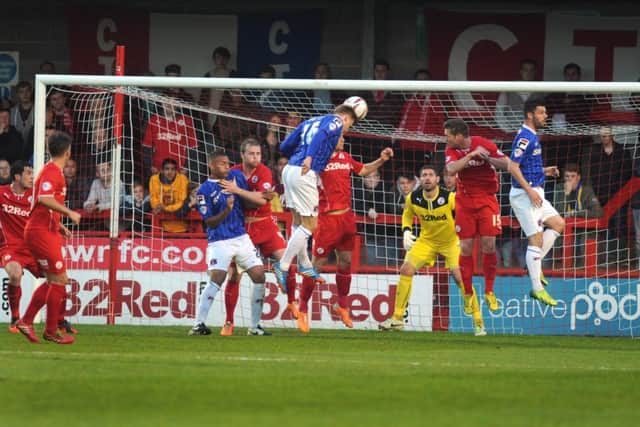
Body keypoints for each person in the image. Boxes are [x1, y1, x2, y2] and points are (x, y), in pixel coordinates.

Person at [297, 139, 394, 332]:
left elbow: (363, 170)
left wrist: (381, 160)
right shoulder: (317, 161)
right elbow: (301, 174)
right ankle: (302, 308)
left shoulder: (346, 157)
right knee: (316, 266)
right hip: (327, 221)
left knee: (346, 262)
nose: (343, 139)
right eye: (340, 136)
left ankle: (342, 306)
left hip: (347, 218)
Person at [378, 165, 486, 336]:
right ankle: (397, 319)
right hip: (426, 241)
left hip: (450, 242)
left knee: (460, 277)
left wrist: (462, 236)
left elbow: (465, 217)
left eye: (430, 175)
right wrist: (406, 230)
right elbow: (407, 214)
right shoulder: (413, 198)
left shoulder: (449, 198)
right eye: (424, 175)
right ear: (420, 180)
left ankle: (479, 322)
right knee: (406, 269)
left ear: (437, 179)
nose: (427, 178)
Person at [272, 102, 359, 288]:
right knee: (310, 225)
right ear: (345, 117)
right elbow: (321, 136)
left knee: (298, 222)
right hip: (305, 171)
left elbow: (285, 146)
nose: (346, 129)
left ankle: (305, 265)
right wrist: (310, 156)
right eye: (350, 124)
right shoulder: (335, 121)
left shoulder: (310, 121)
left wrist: (300, 155)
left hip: (289, 170)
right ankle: (283, 265)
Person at [220, 138, 298, 336]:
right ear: (243, 155)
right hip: (242, 228)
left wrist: (239, 192)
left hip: (265, 223)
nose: (256, 157)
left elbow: (261, 200)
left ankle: (291, 302)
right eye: (252, 154)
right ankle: (229, 322)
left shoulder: (264, 171)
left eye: (258, 154)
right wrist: (249, 196)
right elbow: (247, 199)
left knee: (288, 261)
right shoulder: (233, 172)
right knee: (235, 275)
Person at [190, 151, 271, 336]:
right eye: (222, 164)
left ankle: (255, 327)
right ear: (212, 166)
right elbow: (209, 222)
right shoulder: (204, 190)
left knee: (260, 275)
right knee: (217, 278)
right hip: (219, 240)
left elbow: (246, 198)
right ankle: (198, 324)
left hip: (241, 237)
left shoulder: (235, 177)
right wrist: (227, 209)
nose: (227, 166)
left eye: (228, 163)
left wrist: (263, 195)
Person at [15, 131, 81, 344]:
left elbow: (40, 203)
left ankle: (27, 321)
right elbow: (43, 198)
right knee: (59, 280)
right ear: (68, 151)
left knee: (56, 280)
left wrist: (59, 224)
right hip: (40, 232)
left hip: (46, 229)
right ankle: (51, 330)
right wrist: (69, 212)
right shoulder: (52, 171)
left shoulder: (52, 171)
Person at [507, 98, 565, 306]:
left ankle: (535, 266)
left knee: (559, 224)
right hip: (524, 197)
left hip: (535, 192)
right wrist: (530, 190)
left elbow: (525, 167)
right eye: (541, 112)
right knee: (536, 239)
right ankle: (537, 288)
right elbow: (512, 167)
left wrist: (544, 171)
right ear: (530, 115)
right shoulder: (524, 137)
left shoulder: (532, 136)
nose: (545, 116)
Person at [444, 118, 505, 312]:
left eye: (449, 136)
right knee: (466, 247)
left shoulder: (484, 143)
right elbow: (451, 169)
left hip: (487, 200)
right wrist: (471, 155)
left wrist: (488, 158)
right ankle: (468, 294)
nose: (447, 140)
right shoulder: (451, 151)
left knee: (489, 245)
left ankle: (489, 291)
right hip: (465, 201)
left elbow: (506, 163)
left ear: (459, 135)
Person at [581, 126, 633, 265]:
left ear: (612, 135)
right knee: (606, 226)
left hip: (619, 196)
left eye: (606, 135)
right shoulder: (596, 153)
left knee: (620, 225)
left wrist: (621, 194)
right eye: (602, 136)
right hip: (602, 196)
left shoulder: (622, 152)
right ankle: (608, 259)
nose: (604, 138)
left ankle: (622, 259)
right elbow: (593, 175)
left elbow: (627, 174)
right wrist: (596, 195)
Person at [553, 162, 603, 267]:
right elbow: (557, 213)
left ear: (578, 177)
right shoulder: (559, 189)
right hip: (563, 231)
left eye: (573, 176)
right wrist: (566, 195)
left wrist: (576, 213)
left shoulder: (587, 190)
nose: (570, 179)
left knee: (583, 242)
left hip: (583, 230)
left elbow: (598, 212)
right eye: (567, 176)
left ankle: (582, 269)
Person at [495, 59, 538, 133]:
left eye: (531, 70)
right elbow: (498, 112)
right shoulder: (509, 88)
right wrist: (508, 130)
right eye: (526, 70)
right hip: (512, 133)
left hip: (534, 133)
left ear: (535, 72)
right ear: (521, 72)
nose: (529, 73)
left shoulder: (541, 90)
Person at [149, 158, 189, 233]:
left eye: (173, 169)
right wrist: (157, 206)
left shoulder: (182, 179)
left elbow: (182, 202)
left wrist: (165, 208)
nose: (170, 172)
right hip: (161, 226)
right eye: (167, 169)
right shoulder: (154, 179)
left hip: (182, 226)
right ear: (162, 170)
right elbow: (153, 199)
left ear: (176, 171)